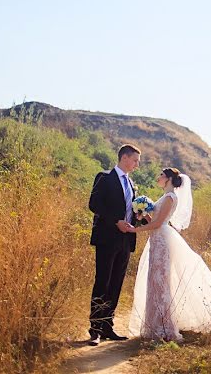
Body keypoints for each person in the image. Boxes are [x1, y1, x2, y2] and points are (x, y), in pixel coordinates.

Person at [125, 167, 211, 342]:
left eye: (160, 175)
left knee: (161, 282)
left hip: (162, 240)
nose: (158, 177)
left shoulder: (170, 197)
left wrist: (134, 230)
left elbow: (159, 223)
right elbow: (155, 221)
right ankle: (154, 325)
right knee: (155, 281)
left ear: (167, 179)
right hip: (157, 239)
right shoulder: (164, 197)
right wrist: (143, 214)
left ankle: (164, 327)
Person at [87, 144, 141, 346]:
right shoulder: (104, 177)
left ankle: (108, 326)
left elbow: (131, 211)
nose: (136, 165)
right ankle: (95, 330)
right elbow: (94, 204)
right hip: (107, 238)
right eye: (135, 160)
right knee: (103, 282)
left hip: (125, 242)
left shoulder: (131, 183)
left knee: (116, 283)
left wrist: (143, 217)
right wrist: (115, 221)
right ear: (125, 158)